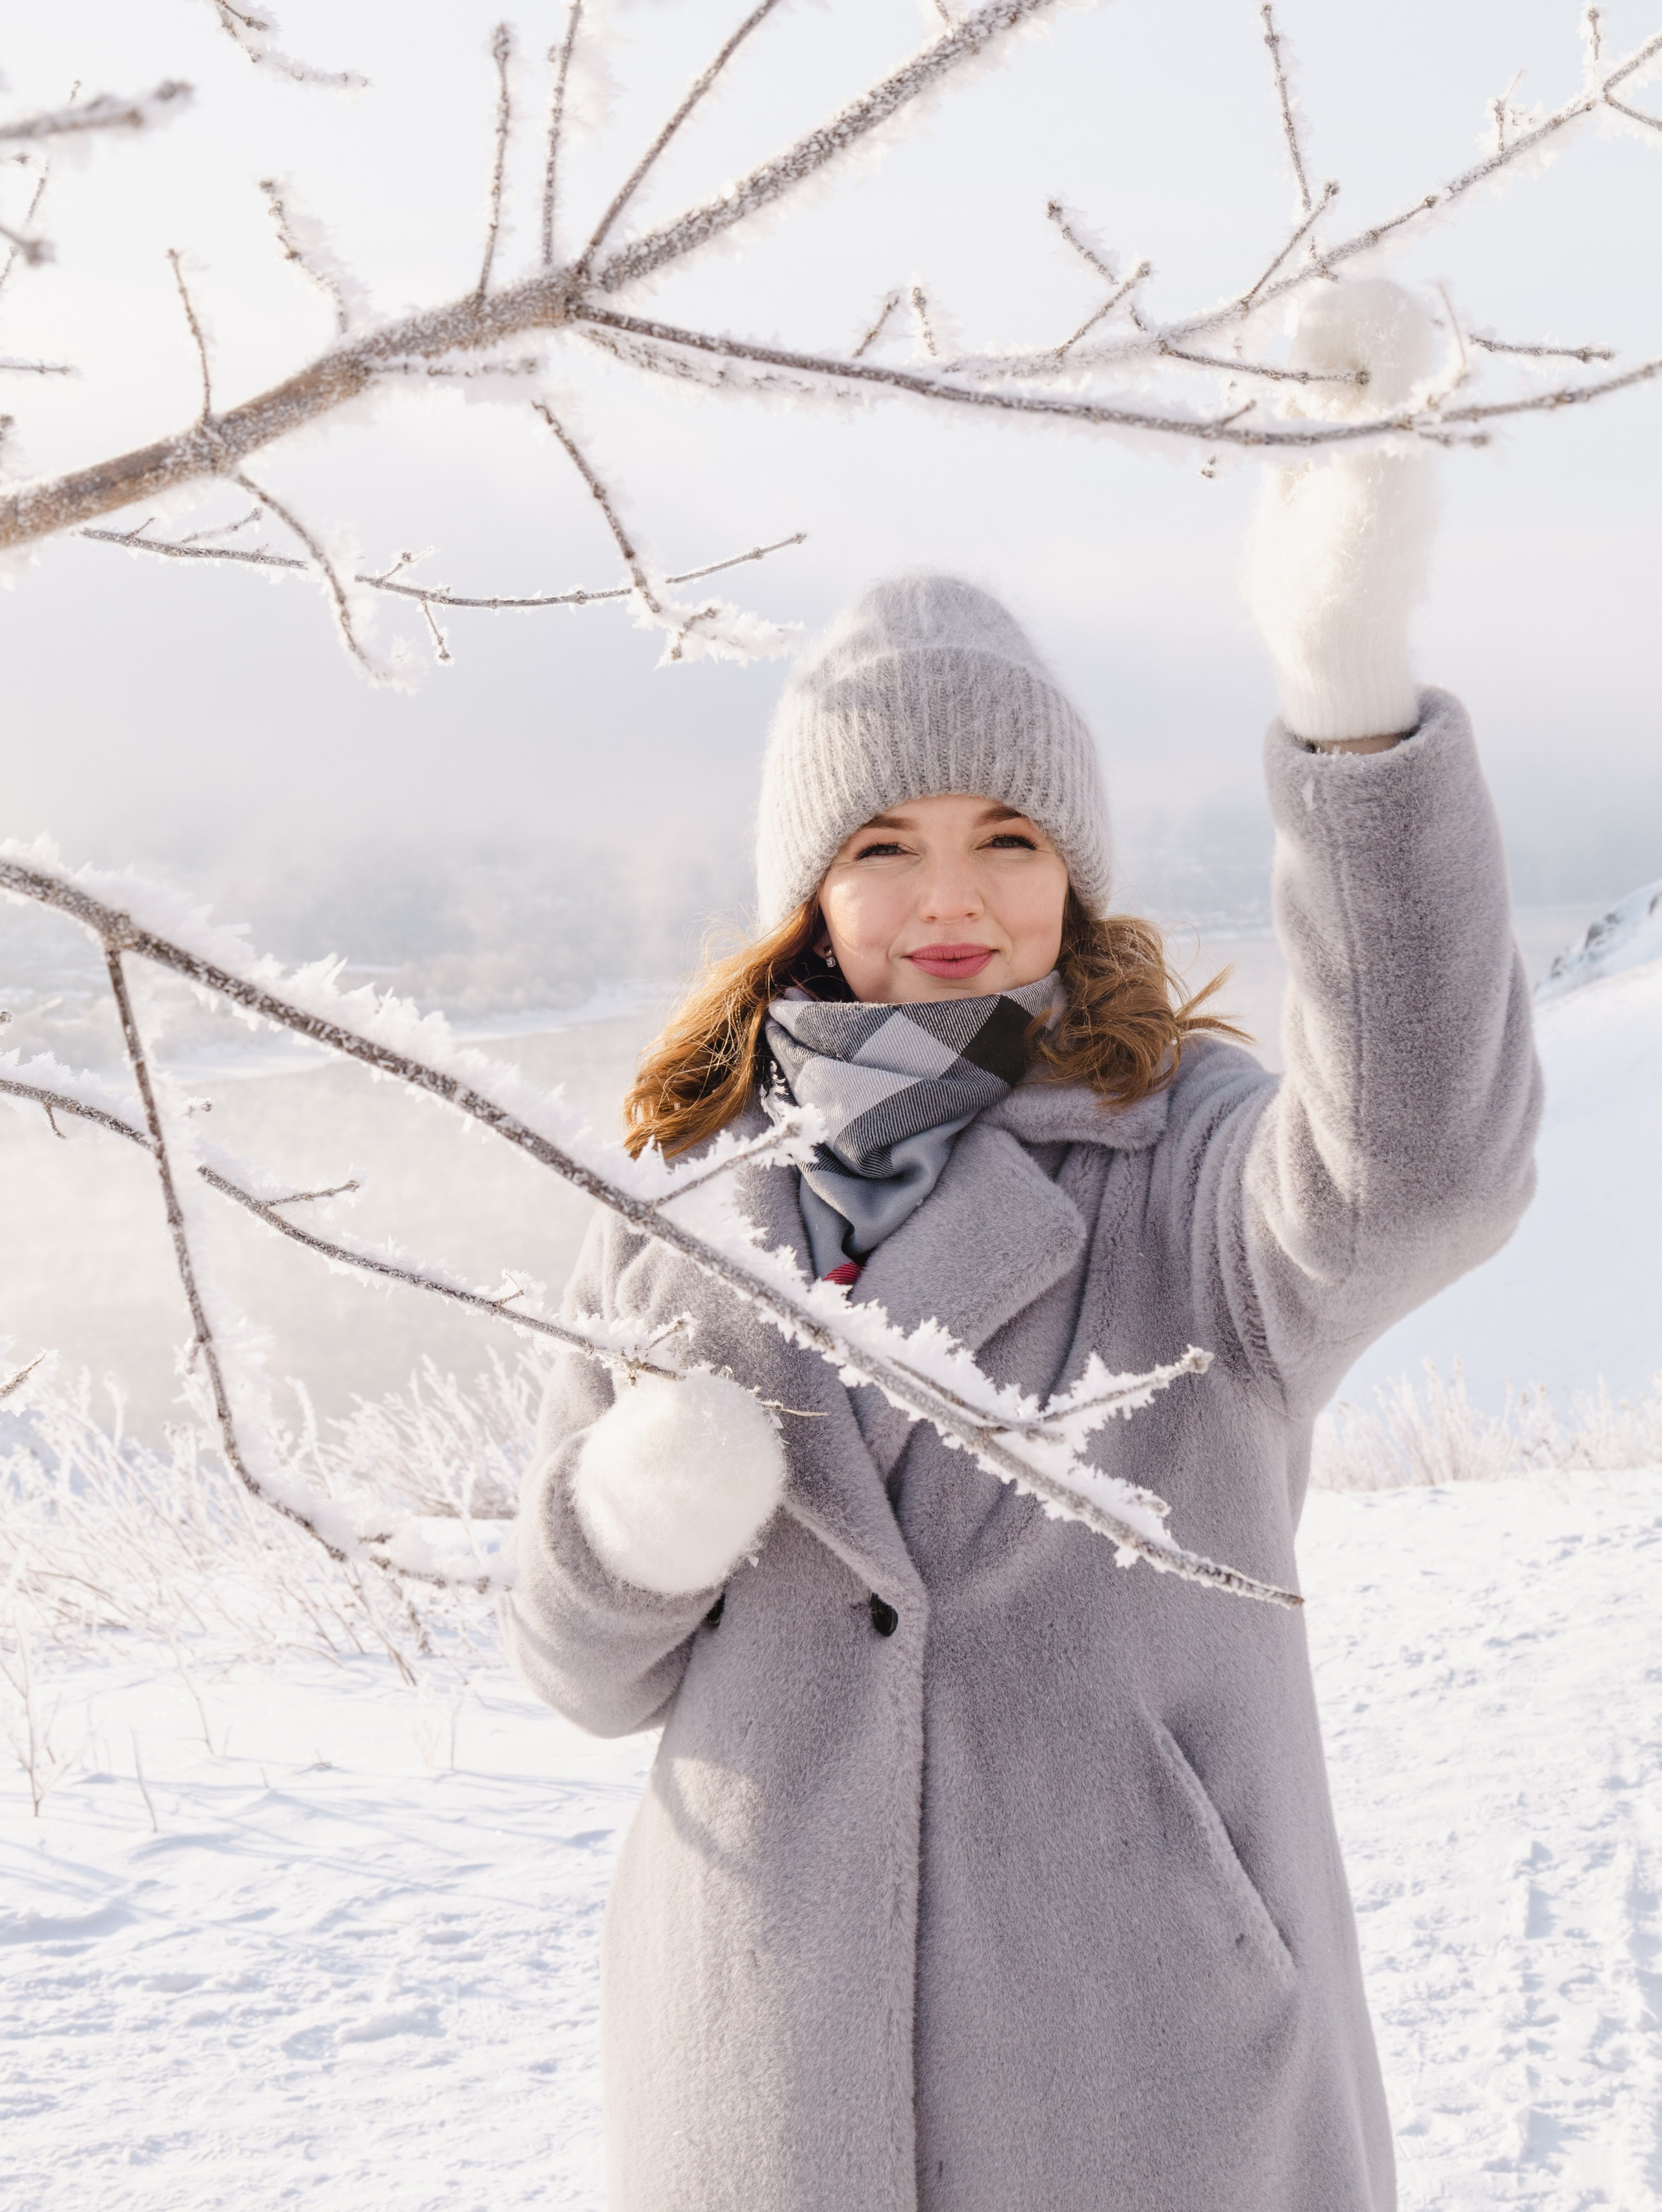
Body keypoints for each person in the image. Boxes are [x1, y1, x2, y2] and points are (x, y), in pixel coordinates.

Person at [503, 280, 1542, 2212]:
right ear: (809, 891)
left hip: (1142, 2077)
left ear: (1074, 863)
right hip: (761, 2079)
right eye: (884, 844)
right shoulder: (680, 1202)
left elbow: (1422, 1176)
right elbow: (577, 1666)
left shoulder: (1185, 1168)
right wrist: (632, 1526)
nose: (953, 898)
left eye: (1009, 836)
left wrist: (1349, 700)